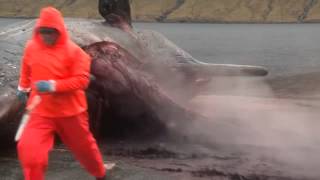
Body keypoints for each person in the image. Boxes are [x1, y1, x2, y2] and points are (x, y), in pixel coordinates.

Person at [16, 6, 107, 180]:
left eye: (51, 32)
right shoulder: (31, 48)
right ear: (38, 31)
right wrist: (23, 87)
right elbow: (26, 68)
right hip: (40, 110)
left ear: (59, 31)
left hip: (71, 113)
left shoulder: (76, 53)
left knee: (85, 149)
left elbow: (82, 80)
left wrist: (53, 86)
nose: (46, 35)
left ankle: (100, 174)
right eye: (43, 31)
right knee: (28, 149)